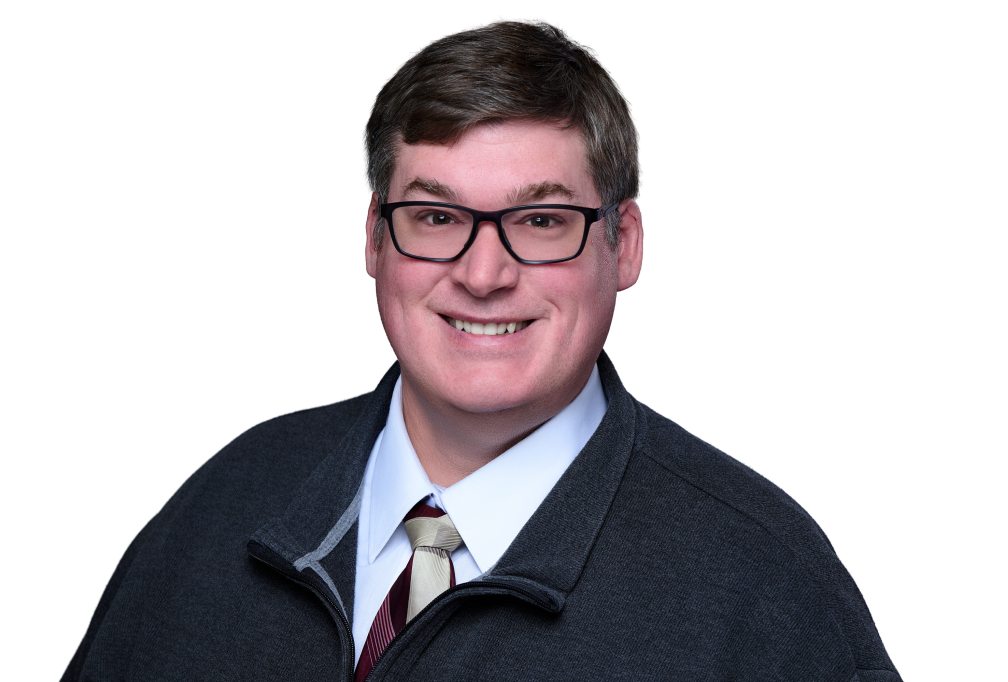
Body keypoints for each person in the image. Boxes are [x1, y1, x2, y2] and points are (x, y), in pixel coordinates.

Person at [63, 21, 901, 681]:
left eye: (541, 221)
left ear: (625, 244)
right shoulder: (223, 511)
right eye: (436, 217)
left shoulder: (765, 589)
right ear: (375, 241)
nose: (484, 272)